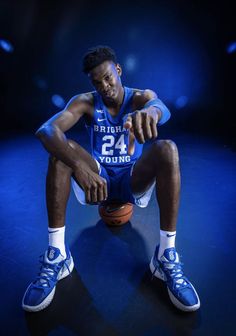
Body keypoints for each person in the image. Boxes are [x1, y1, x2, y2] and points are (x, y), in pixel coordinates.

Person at [22, 46, 200, 313]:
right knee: (61, 151)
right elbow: (46, 130)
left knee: (168, 148)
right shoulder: (85, 102)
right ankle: (57, 255)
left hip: (132, 178)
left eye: (108, 77)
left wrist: (151, 114)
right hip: (99, 177)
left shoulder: (139, 98)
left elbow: (159, 104)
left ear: (118, 70)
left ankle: (165, 256)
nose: (104, 86)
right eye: (97, 82)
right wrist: (79, 169)